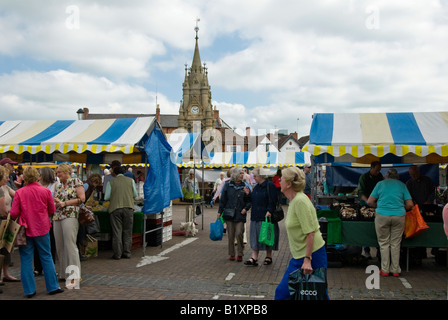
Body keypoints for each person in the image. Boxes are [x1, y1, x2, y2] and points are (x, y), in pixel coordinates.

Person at [9, 166, 64, 298]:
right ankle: (53, 286)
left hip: (25, 228)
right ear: (37, 176)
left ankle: (29, 290)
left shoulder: (20, 192)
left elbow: (14, 213)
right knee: (46, 256)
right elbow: (51, 210)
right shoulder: (45, 191)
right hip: (42, 227)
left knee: (26, 259)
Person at [275, 167, 327, 300]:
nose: (279, 180)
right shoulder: (294, 200)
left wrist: (307, 260)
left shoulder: (300, 201)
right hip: (301, 256)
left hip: (310, 256)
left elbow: (310, 232)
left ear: (289, 184)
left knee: (315, 293)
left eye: (282, 178)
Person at [367, 168, 413, 277]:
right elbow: (410, 204)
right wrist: (402, 208)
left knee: (384, 243)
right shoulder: (402, 185)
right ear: (397, 176)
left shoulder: (380, 184)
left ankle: (385, 269)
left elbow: (369, 201)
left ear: (386, 176)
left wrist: (378, 206)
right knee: (395, 243)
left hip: (382, 215)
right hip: (399, 215)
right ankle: (396, 269)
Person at [53, 163, 85, 289]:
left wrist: (64, 203)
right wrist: (56, 202)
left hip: (70, 214)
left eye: (59, 172)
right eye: (57, 173)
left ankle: (75, 275)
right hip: (58, 216)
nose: (58, 175)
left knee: (70, 245)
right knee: (59, 245)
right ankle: (64, 272)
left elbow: (82, 198)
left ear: (66, 172)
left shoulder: (76, 181)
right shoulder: (58, 185)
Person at [244, 167, 279, 266]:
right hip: (255, 215)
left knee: (266, 235)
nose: (254, 178)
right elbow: (253, 199)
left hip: (266, 215)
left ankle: (269, 256)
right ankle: (254, 257)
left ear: (261, 176)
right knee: (255, 236)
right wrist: (248, 194)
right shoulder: (256, 187)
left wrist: (269, 210)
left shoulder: (269, 185)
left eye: (255, 176)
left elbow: (273, 199)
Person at [218, 167, 251, 262]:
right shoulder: (228, 186)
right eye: (240, 173)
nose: (242, 175)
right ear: (235, 174)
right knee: (231, 235)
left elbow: (249, 201)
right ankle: (232, 253)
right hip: (229, 213)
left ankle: (240, 253)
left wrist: (246, 208)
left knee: (239, 233)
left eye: (243, 173)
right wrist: (220, 211)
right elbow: (223, 200)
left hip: (240, 214)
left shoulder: (245, 186)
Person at [104, 166, 138, 260]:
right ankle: (127, 252)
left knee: (117, 232)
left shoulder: (111, 182)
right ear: (125, 172)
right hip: (128, 208)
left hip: (115, 208)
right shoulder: (131, 181)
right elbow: (135, 194)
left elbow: (106, 197)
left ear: (114, 173)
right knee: (127, 231)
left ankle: (117, 254)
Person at [34, 167, 57, 276]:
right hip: (38, 218)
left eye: (40, 174)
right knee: (37, 245)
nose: (39, 176)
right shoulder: (36, 185)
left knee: (50, 244)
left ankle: (49, 268)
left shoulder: (55, 185)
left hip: (51, 218)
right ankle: (38, 267)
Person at [357, 161, 383, 258]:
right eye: (376, 170)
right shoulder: (364, 177)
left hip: (377, 205)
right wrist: (368, 201)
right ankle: (366, 250)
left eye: (379, 170)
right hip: (366, 204)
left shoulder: (380, 177)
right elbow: (360, 192)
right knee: (365, 228)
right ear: (371, 168)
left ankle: (378, 250)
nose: (378, 172)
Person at [0, 165, 19, 284]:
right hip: (3, 221)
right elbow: (2, 210)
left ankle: (6, 274)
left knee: (7, 249)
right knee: (2, 249)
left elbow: (18, 195)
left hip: (6, 221)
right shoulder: (1, 190)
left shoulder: (5, 188)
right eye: (6, 177)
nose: (8, 179)